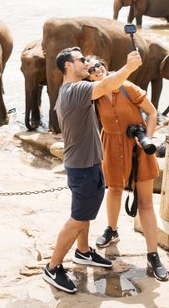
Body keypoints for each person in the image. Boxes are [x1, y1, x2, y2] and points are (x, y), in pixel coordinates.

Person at [42, 47, 142, 293]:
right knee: (78, 219)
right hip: (83, 169)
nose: (86, 63)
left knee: (83, 214)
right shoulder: (75, 90)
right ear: (68, 66)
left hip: (87, 165)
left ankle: (83, 252)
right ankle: (53, 267)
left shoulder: (71, 91)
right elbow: (107, 84)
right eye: (80, 60)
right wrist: (128, 68)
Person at [85, 55, 168, 281]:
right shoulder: (94, 94)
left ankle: (153, 255)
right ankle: (112, 230)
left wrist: (147, 139)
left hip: (139, 146)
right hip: (110, 145)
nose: (97, 70)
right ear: (89, 76)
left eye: (99, 65)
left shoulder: (127, 86)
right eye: (91, 70)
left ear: (105, 65)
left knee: (145, 203)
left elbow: (152, 113)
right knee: (114, 190)